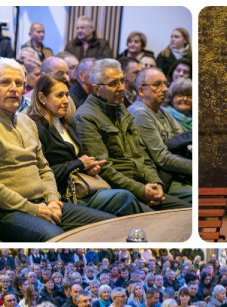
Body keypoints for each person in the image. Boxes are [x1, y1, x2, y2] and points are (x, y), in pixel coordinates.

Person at [0, 58, 115, 241]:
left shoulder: (26, 122)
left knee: (110, 226)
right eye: (5, 82)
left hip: (43, 203)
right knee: (57, 238)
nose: (13, 88)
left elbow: (44, 168)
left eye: (19, 83)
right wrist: (33, 209)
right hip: (3, 212)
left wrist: (53, 200)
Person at [73, 59, 191, 208]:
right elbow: (104, 168)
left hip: (143, 184)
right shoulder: (86, 116)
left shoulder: (120, 109)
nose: (121, 87)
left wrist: (156, 183)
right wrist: (141, 190)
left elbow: (143, 156)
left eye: (122, 81)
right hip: (121, 190)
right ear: (96, 89)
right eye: (113, 84)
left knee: (187, 212)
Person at [29, 74, 146, 216]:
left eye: (67, 95)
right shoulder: (36, 128)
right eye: (59, 95)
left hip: (84, 185)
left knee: (130, 200)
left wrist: (89, 167)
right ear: (42, 98)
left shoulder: (66, 123)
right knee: (125, 198)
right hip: (63, 193)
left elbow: (78, 159)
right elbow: (42, 172)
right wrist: (79, 163)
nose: (66, 100)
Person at [128, 67, 192, 193]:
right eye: (157, 84)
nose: (165, 89)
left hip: (175, 172)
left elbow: (183, 141)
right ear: (141, 90)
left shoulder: (164, 111)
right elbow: (161, 158)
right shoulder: (139, 113)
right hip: (159, 179)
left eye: (165, 84)